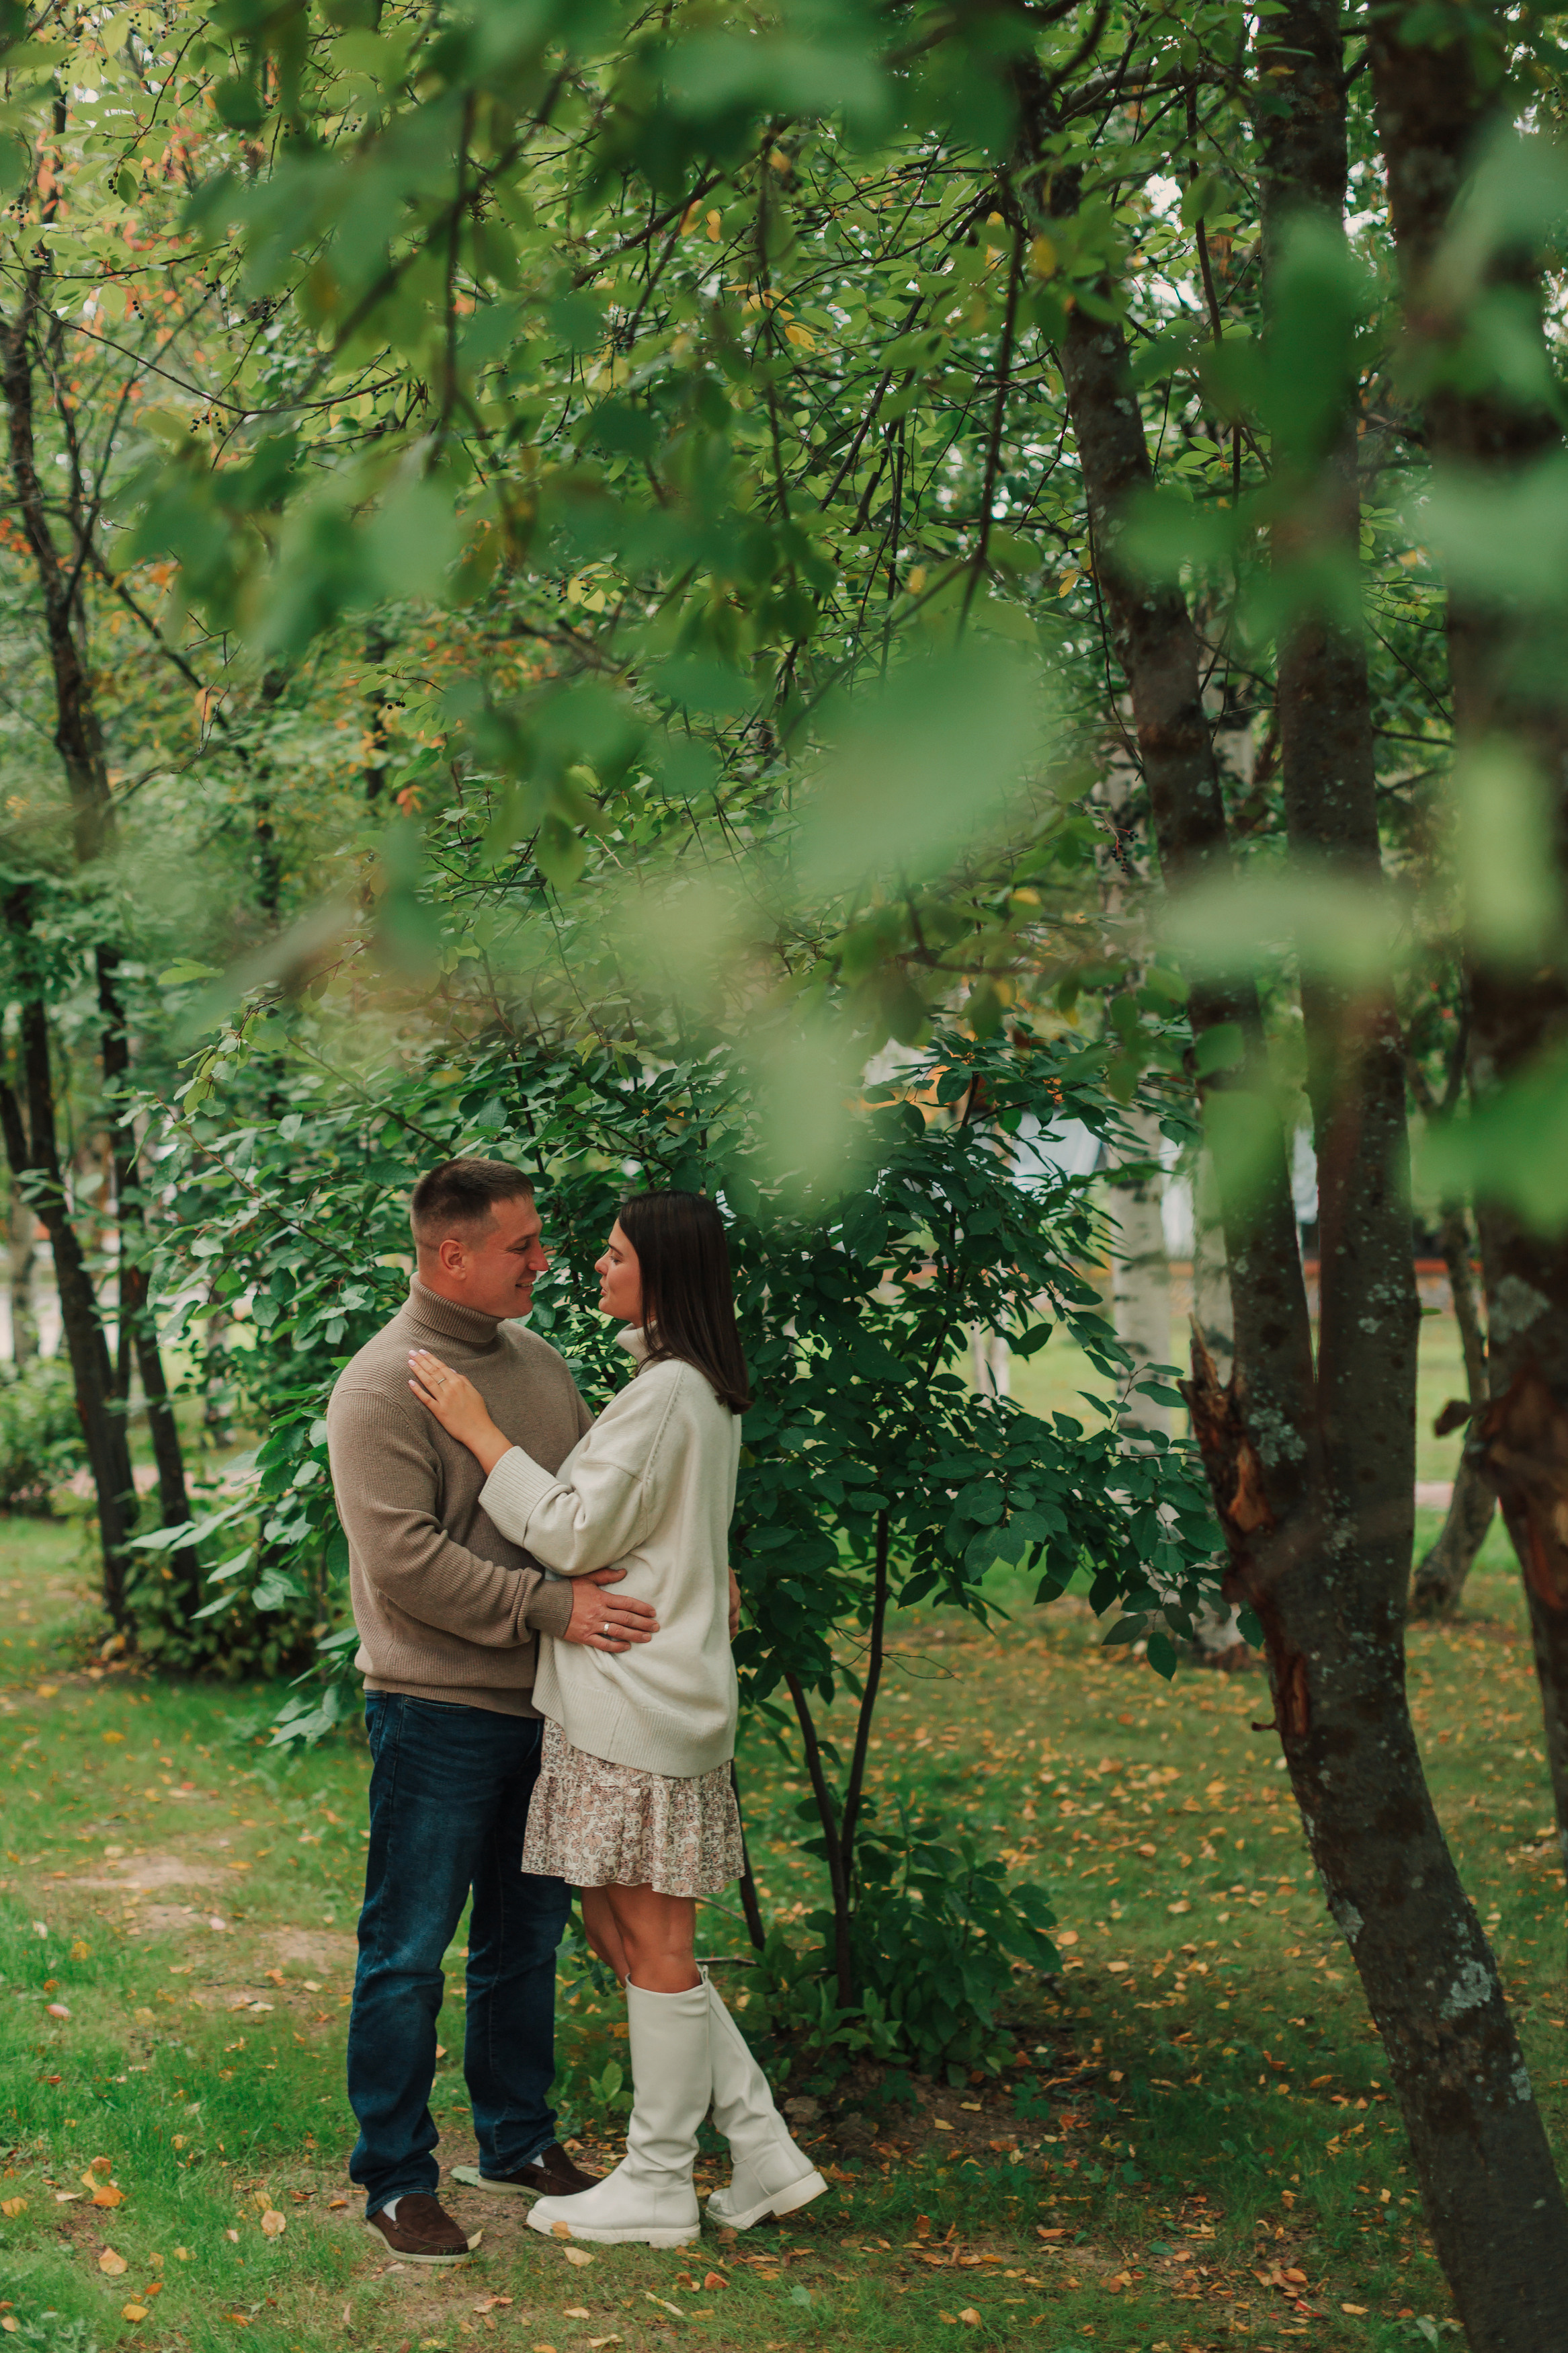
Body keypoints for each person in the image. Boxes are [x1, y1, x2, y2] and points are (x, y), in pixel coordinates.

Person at [407, 1187, 827, 2248]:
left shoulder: (668, 1393)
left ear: (661, 1274)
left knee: (653, 1938)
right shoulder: (686, 1389)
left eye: (611, 1255)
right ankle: (760, 2143)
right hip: (636, 1701)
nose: (590, 1267)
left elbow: (566, 1528)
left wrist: (477, 1429)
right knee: (614, 1924)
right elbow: (646, 1524)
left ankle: (656, 2178)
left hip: (636, 1701)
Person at [327, 1158, 661, 2266]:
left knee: (523, 1946)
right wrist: (551, 1608)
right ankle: (393, 2176)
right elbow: (405, 1564)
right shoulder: (380, 1385)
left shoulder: (537, 1363)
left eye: (540, 1241)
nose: (543, 1259)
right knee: (408, 1949)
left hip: (552, 1707)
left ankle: (516, 2141)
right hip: (436, 1713)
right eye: (521, 1245)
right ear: (451, 1254)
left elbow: (576, 1511)